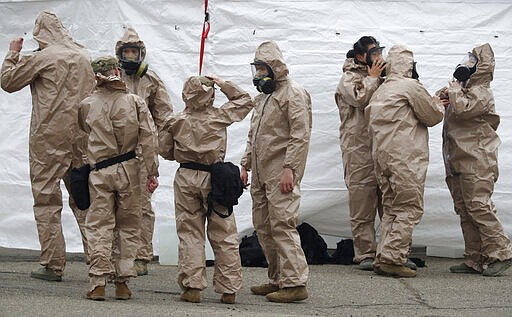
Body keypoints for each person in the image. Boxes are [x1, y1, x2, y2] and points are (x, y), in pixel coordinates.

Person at [1, 11, 94, 281]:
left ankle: (52, 264)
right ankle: (100, 262)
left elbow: (8, 82)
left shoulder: (43, 57)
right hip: (82, 135)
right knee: (85, 197)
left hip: (48, 137)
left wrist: (12, 54)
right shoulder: (84, 55)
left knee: (46, 199)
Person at [161, 75, 253, 304]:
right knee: (224, 233)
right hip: (215, 177)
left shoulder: (175, 121)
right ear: (210, 94)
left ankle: (192, 287)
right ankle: (228, 289)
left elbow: (164, 150)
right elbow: (245, 101)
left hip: (186, 176)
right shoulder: (220, 116)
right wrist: (222, 84)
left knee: (190, 233)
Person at [78, 56, 159, 300]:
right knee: (128, 226)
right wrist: (152, 171)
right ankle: (123, 282)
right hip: (130, 170)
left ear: (95, 77)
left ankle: (98, 282)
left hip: (100, 171)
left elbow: (83, 131)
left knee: (99, 225)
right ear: (116, 71)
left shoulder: (87, 104)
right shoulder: (134, 101)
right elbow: (149, 138)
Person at [241, 40, 312, 302]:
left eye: (262, 69)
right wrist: (245, 164)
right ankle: (278, 278)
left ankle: (295, 283)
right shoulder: (263, 97)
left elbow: (300, 135)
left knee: (282, 224)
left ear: (275, 68)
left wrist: (290, 169)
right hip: (261, 172)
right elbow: (254, 134)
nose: (258, 74)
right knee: (263, 225)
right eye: (256, 69)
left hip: (280, 170)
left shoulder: (293, 94)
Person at [365, 45, 444, 278]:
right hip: (405, 158)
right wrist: (437, 102)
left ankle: (383, 255)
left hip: (382, 158)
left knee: (391, 207)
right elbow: (432, 115)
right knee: (409, 207)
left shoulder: (380, 90)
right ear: (409, 66)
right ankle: (392, 258)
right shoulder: (410, 86)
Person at [438, 43, 512, 276]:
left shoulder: (481, 92)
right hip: (458, 159)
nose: (466, 63)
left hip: (477, 161)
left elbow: (461, 109)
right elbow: (443, 99)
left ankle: (502, 253)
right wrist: (450, 90)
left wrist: (455, 88)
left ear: (481, 66)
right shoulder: (463, 88)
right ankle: (475, 258)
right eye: (467, 59)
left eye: (472, 60)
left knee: (479, 207)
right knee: (465, 209)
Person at [115, 27, 174, 276]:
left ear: (141, 54)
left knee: (141, 205)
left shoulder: (151, 80)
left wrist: (159, 147)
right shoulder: (109, 78)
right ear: (119, 54)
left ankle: (141, 256)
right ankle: (117, 254)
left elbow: (164, 116)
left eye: (134, 52)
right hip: (114, 150)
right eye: (126, 52)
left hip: (140, 152)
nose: (130, 56)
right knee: (114, 203)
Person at [334, 36, 385, 270]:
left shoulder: (381, 78)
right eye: (373, 52)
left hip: (384, 147)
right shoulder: (349, 79)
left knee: (390, 202)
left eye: (379, 51)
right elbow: (359, 98)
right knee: (362, 203)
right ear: (361, 57)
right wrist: (373, 78)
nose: (378, 56)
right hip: (358, 150)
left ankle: (389, 252)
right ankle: (365, 253)